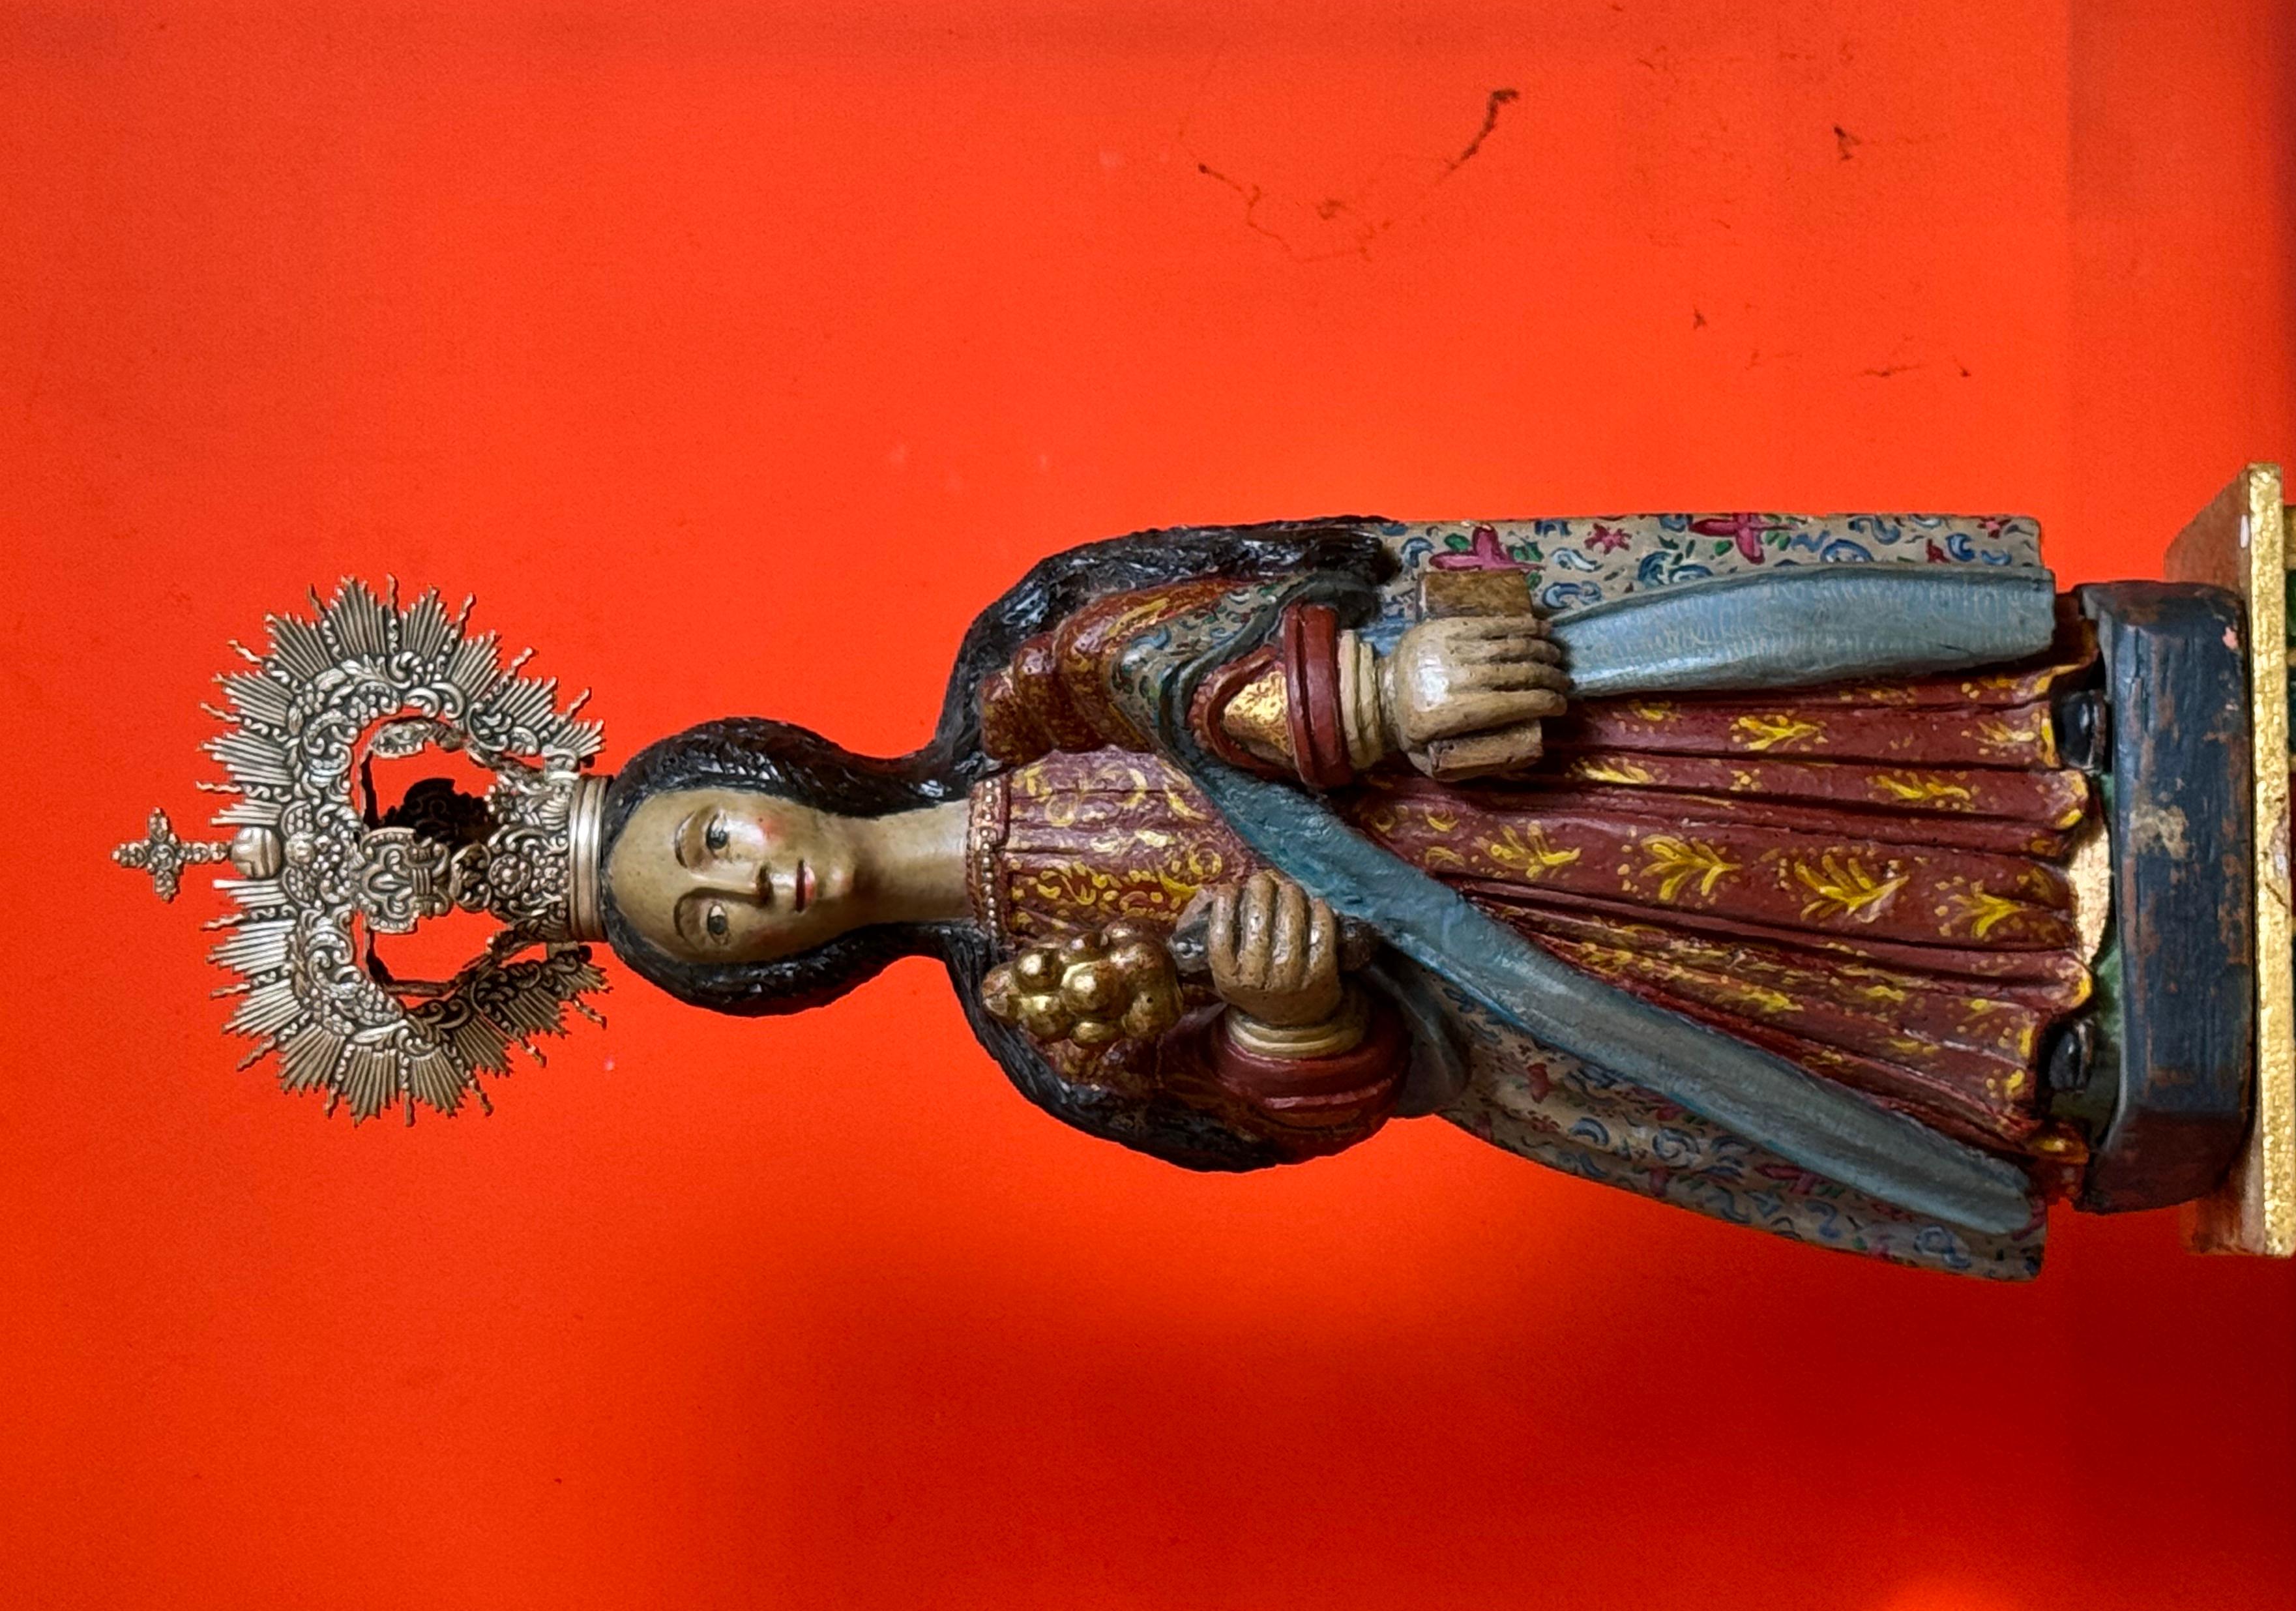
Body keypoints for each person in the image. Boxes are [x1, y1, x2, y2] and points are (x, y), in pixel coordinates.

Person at [591, 512, 2108, 1280]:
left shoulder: (1017, 691)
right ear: (758, 975)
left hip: (1509, 771)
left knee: (1750, 754)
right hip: (1531, 972)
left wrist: (1365, 692)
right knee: (1771, 986)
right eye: (714, 915)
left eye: (713, 835)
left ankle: (2060, 739)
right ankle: (2063, 1035)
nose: (753, 876)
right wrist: (1292, 1018)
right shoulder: (1041, 1029)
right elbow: (1283, 1109)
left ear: (756, 771)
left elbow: (1173, 644)